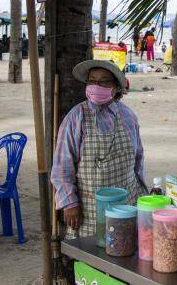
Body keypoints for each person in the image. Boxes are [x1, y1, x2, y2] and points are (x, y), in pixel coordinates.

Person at [51, 60, 147, 238]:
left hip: (127, 205)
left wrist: (144, 194)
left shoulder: (128, 116)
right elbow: (62, 168)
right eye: (92, 80)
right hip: (89, 211)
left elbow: (138, 160)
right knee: (92, 258)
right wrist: (70, 203)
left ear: (116, 87)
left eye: (104, 81)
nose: (96, 86)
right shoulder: (76, 117)